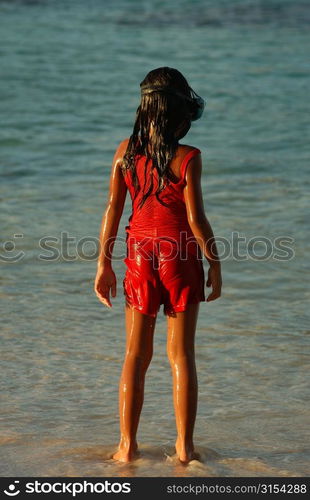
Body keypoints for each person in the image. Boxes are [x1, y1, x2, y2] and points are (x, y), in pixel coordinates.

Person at [94, 67, 222, 464]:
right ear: (180, 113)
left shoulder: (124, 152)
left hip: (139, 258)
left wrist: (103, 264)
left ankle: (126, 447)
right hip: (180, 257)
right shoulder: (189, 157)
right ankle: (184, 449)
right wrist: (215, 263)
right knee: (181, 356)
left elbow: (114, 209)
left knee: (135, 355)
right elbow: (197, 220)